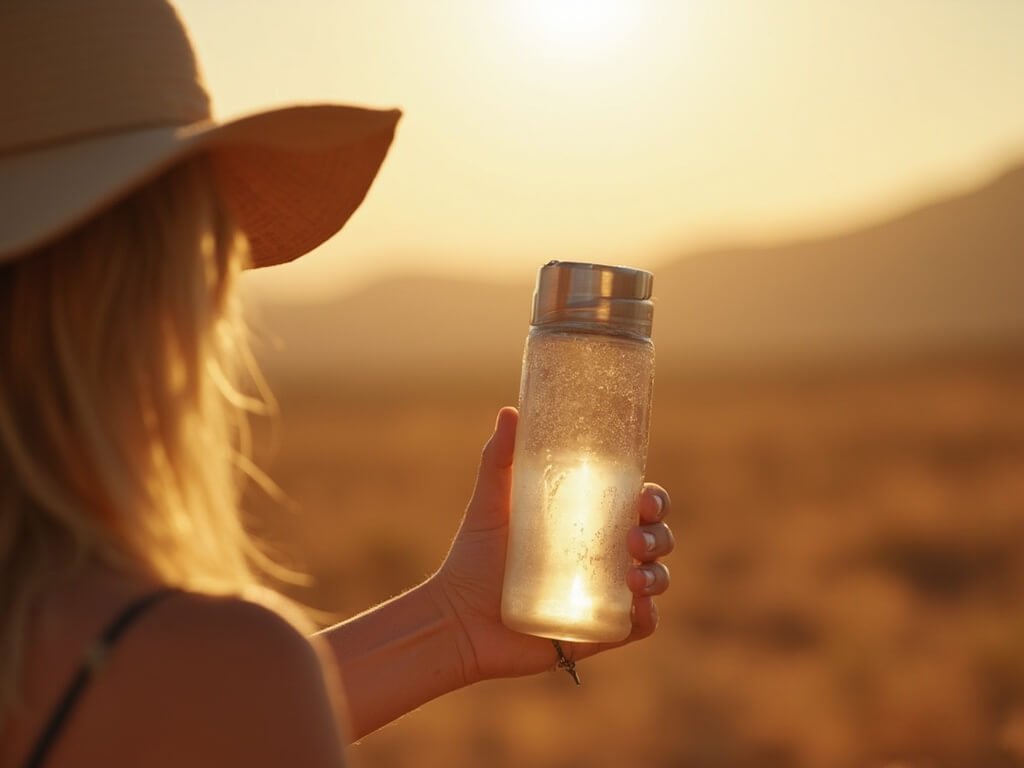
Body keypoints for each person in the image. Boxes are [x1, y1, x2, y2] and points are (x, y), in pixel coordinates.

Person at [0, 1, 675, 766]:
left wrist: (451, 622)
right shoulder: (197, 663)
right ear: (140, 294)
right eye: (210, 256)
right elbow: (201, 709)